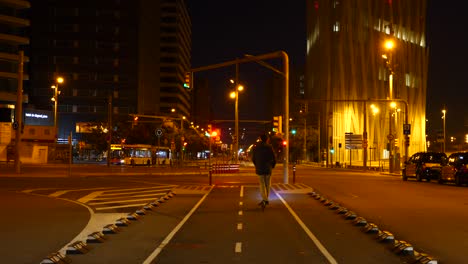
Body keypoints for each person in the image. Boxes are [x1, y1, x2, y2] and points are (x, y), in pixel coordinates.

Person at [252, 134, 276, 210]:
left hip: (260, 169)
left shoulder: (256, 147)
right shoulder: (269, 147)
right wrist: (272, 166)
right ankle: (265, 199)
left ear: (260, 139)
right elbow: (274, 158)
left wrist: (257, 165)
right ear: (267, 139)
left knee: (262, 185)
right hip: (268, 168)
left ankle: (265, 199)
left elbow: (253, 159)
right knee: (267, 185)